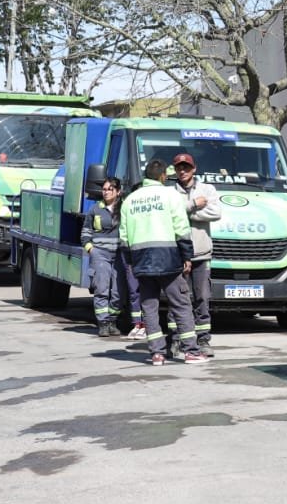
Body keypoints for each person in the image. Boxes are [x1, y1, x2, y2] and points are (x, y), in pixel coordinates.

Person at [118, 159, 205, 365]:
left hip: (141, 260)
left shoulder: (130, 200)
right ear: (163, 176)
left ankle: (156, 353)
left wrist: (130, 262)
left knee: (149, 306)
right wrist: (187, 257)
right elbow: (182, 229)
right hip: (169, 260)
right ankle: (191, 351)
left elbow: (123, 237)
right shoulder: (171, 195)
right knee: (181, 304)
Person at [169, 152, 222, 352]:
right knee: (178, 298)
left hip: (201, 254)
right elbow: (169, 214)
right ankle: (175, 339)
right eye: (179, 167)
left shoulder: (207, 189)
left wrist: (185, 212)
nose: (182, 171)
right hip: (178, 254)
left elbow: (216, 213)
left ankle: (203, 340)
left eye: (186, 167)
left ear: (194, 168)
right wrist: (193, 206)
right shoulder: (170, 192)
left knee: (202, 298)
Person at [81, 176, 125, 338]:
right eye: (104, 189)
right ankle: (103, 323)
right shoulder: (95, 209)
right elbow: (85, 231)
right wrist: (90, 248)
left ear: (118, 192)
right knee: (102, 288)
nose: (106, 192)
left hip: (119, 255)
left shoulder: (124, 208)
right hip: (100, 254)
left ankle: (113, 320)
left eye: (109, 189)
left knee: (118, 291)